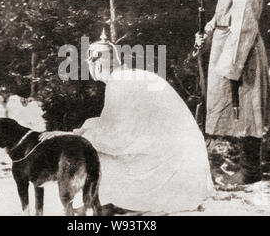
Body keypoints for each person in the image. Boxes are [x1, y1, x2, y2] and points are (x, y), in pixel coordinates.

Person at [41, 30, 214, 214]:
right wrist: (85, 130)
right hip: (186, 169)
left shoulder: (119, 83)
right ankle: (105, 203)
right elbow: (122, 127)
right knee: (95, 142)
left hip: (172, 170)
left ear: (98, 65)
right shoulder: (131, 76)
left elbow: (117, 139)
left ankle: (109, 204)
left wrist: (77, 136)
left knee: (95, 157)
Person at [195, 0, 270, 186]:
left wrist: (231, 66)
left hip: (243, 55)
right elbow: (222, 16)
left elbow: (243, 24)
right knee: (238, 112)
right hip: (229, 50)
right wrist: (205, 35)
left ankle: (250, 172)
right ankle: (245, 168)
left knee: (248, 111)